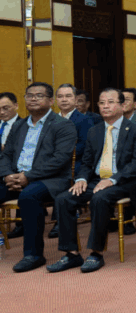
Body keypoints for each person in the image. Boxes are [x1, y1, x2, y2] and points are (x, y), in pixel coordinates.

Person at [48, 88, 136, 273]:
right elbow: (86, 162)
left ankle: (96, 253)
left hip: (125, 181)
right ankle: (71, 253)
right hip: (96, 179)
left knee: (99, 198)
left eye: (110, 102)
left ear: (122, 105)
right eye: (102, 103)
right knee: (63, 199)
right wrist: (81, 178)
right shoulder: (94, 131)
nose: (105, 106)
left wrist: (113, 180)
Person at [0, 83, 76, 272]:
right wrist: (7, 175)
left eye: (39, 95)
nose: (33, 98)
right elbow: (6, 155)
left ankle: (33, 255)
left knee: (29, 196)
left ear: (51, 101)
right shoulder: (19, 125)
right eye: (30, 95)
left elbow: (60, 159)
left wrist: (28, 176)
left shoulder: (63, 125)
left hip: (51, 180)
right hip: (17, 178)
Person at [54, 83, 96, 179]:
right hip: (51, 165)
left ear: (76, 99)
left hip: (74, 166)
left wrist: (58, 156)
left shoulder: (85, 120)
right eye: (60, 96)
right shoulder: (51, 120)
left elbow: (84, 147)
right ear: (56, 100)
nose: (64, 100)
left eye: (68, 96)